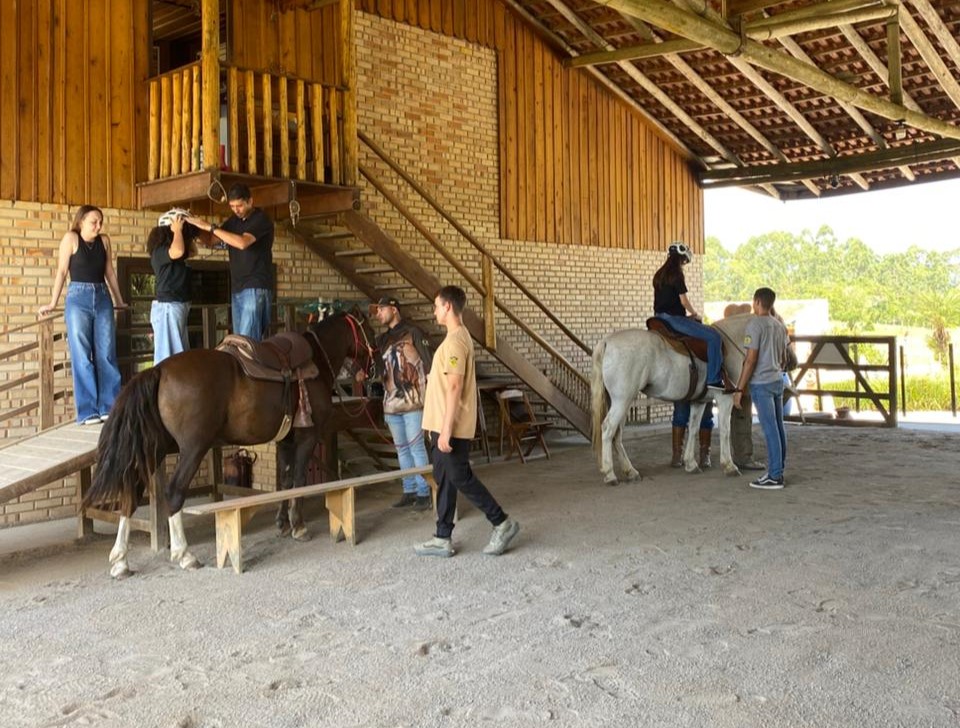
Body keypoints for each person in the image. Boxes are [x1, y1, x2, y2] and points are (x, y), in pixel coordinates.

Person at [415, 285, 520, 558]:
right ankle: (442, 536)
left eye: (436, 305)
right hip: (440, 425)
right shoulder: (455, 338)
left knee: (460, 476)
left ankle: (502, 522)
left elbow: (454, 386)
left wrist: (446, 430)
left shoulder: (455, 342)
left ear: (448, 307)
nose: (434, 310)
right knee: (446, 478)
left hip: (449, 426)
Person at [38, 205, 127, 425]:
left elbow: (110, 272)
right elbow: (61, 272)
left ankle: (109, 407)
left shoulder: (104, 241)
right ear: (81, 222)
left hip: (102, 296)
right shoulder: (71, 238)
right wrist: (52, 303)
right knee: (82, 354)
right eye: (93, 222)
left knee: (106, 352)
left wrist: (119, 300)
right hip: (78, 298)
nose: (98, 226)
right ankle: (88, 412)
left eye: (100, 222)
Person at [358, 296, 434, 510]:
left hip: (414, 404)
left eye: (381, 310)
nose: (378, 314)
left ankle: (423, 492)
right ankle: (408, 490)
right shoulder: (381, 341)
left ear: (393, 309)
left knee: (417, 448)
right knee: (401, 449)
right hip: (390, 405)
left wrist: (432, 400)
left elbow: (429, 366)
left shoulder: (414, 333)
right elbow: (378, 369)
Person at [186, 184, 273, 341]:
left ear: (250, 201)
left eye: (239, 205)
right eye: (232, 206)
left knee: (248, 343)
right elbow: (212, 240)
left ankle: (252, 366)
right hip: (237, 288)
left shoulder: (261, 219)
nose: (236, 210)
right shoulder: (233, 221)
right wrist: (195, 227)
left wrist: (210, 226)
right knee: (239, 341)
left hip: (255, 287)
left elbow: (242, 243)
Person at [732, 287, 790, 489]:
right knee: (779, 426)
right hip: (777, 380)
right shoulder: (779, 326)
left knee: (769, 428)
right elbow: (784, 358)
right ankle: (779, 468)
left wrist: (739, 389)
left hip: (761, 383)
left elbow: (750, 360)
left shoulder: (754, 325)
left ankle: (774, 476)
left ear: (757, 302)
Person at [653, 242, 727, 390]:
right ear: (682, 259)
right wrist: (694, 313)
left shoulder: (659, 274)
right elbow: (684, 301)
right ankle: (713, 379)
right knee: (714, 337)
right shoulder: (677, 275)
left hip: (658, 318)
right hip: (673, 319)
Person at [149, 209, 198, 364]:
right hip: (168, 308)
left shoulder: (177, 257)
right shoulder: (160, 252)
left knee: (179, 356)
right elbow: (178, 250)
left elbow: (192, 251)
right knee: (167, 359)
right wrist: (177, 230)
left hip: (178, 306)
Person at [722, 302, 766, 472]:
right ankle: (744, 456)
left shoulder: (728, 332)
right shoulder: (754, 326)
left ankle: (706, 454)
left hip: (733, 377)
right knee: (744, 415)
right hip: (744, 378)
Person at [670, 401, 714, 469]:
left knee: (705, 417)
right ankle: (677, 454)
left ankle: (705, 454)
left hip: (705, 392)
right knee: (680, 416)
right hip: (683, 392)